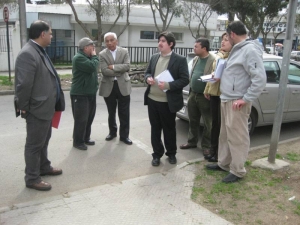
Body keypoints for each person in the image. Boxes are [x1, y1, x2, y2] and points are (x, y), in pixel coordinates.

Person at [206, 21, 266, 183]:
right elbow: (237, 73)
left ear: (232, 34)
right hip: (226, 98)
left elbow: (259, 79)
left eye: (227, 36)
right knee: (225, 135)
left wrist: (245, 99)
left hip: (237, 101)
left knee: (238, 137)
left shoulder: (250, 50)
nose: (226, 39)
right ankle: (224, 163)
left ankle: (238, 170)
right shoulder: (237, 49)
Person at [14, 20, 64, 191]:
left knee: (43, 141)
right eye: (50, 33)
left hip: (46, 107)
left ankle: (44, 167)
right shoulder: (28, 54)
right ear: (42, 34)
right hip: (37, 109)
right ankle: (32, 178)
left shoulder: (39, 50)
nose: (51, 36)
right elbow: (23, 85)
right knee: (34, 145)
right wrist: (25, 107)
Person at [144, 31, 189, 166]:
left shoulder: (179, 60)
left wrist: (169, 85)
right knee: (155, 129)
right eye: (159, 41)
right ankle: (156, 154)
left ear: (171, 44)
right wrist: (148, 78)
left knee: (169, 129)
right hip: (152, 99)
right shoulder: (154, 57)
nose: (160, 43)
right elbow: (147, 72)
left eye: (163, 41)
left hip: (167, 102)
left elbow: (185, 79)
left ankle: (171, 153)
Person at [180, 38, 215, 157]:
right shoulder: (195, 59)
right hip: (193, 93)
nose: (194, 48)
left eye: (196, 47)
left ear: (204, 48)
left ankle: (206, 146)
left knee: (207, 122)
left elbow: (214, 78)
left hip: (205, 96)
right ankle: (192, 141)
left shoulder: (213, 60)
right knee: (192, 120)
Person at [203, 33, 233, 162]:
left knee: (222, 126)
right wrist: (207, 89)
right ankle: (213, 150)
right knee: (215, 124)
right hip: (214, 94)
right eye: (222, 40)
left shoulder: (231, 57)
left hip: (224, 95)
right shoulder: (219, 56)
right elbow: (213, 74)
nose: (223, 42)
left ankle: (219, 153)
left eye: (226, 40)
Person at [99, 32, 132, 145]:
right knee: (111, 112)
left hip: (123, 85)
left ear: (116, 41)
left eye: (111, 40)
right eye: (107, 41)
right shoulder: (102, 54)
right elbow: (104, 71)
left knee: (124, 112)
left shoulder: (124, 51)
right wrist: (119, 70)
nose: (109, 43)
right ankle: (112, 132)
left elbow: (127, 66)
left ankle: (124, 136)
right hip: (109, 86)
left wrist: (113, 67)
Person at [70, 37, 99, 150]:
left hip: (90, 93)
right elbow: (92, 67)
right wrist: (95, 56)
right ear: (86, 47)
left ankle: (86, 138)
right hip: (80, 94)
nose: (94, 48)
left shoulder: (88, 57)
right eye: (92, 46)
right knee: (81, 119)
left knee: (89, 118)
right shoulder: (79, 58)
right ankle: (78, 141)